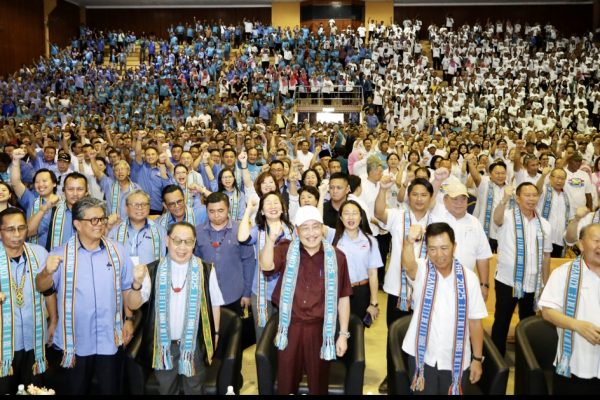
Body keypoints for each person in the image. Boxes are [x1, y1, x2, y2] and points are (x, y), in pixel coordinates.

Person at [35, 197, 150, 394]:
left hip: (109, 339)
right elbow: (42, 287)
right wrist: (46, 272)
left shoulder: (118, 251)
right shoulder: (60, 254)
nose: (100, 224)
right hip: (75, 342)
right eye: (93, 220)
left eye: (102, 219)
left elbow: (127, 292)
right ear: (77, 224)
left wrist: (129, 318)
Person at [259, 205, 352, 395]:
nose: (311, 233)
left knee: (318, 385)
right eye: (305, 228)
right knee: (286, 384)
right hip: (289, 328)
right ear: (297, 230)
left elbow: (343, 298)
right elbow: (266, 266)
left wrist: (343, 334)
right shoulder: (286, 249)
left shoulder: (337, 257)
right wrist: (270, 240)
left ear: (323, 228)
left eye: (315, 227)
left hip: (320, 330)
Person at [137, 222, 224, 395]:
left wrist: (215, 335)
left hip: (194, 345)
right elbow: (133, 304)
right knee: (166, 389)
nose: (182, 247)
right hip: (164, 346)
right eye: (177, 241)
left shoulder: (206, 269)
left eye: (188, 241)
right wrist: (135, 284)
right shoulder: (152, 270)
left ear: (194, 243)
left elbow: (215, 304)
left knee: (195, 388)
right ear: (167, 241)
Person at [401, 222, 487, 395]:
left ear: (454, 246)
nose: (439, 255)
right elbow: (409, 266)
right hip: (422, 356)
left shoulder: (469, 279)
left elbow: (475, 323)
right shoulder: (422, 269)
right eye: (432, 249)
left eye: (444, 248)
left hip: (455, 358)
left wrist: (477, 359)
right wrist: (409, 241)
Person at [491, 182, 552, 356]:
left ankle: (525, 360)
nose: (532, 199)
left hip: (532, 282)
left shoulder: (544, 224)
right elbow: (496, 219)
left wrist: (545, 285)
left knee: (528, 324)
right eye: (527, 195)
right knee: (502, 321)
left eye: (534, 195)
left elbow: (546, 257)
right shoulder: (507, 216)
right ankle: (497, 361)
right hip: (507, 281)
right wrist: (504, 199)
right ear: (518, 198)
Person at [539, 223, 600, 395]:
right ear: (581, 244)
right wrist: (577, 325)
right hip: (575, 364)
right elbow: (547, 312)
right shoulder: (563, 274)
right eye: (596, 240)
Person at [0, 208, 56, 394]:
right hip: (4, 344)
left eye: (21, 228)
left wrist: (53, 320)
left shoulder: (39, 253)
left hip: (35, 337)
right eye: (10, 229)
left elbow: (49, 291)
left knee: (35, 389)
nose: (17, 234)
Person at [237, 192, 294, 341]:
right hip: (262, 293)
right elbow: (242, 237)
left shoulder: (292, 230)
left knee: (286, 336)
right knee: (263, 337)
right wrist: (248, 210)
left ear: (283, 208)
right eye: (268, 203)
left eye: (276, 202)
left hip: (287, 292)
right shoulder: (259, 230)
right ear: (262, 211)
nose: (272, 206)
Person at [195, 192, 254, 319]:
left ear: (228, 209)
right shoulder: (197, 232)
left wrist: (247, 293)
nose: (216, 215)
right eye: (211, 211)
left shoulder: (241, 230)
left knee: (236, 329)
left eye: (220, 210)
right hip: (207, 295)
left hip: (235, 294)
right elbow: (195, 264)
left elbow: (248, 263)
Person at [331, 200, 382, 324]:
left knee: (358, 329)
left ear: (361, 217)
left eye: (354, 213)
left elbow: (373, 274)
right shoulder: (333, 237)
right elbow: (316, 223)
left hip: (361, 292)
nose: (351, 217)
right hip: (338, 291)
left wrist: (374, 303)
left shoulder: (370, 241)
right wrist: (321, 196)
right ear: (341, 218)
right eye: (346, 213)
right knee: (337, 328)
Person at [29, 172, 88, 251]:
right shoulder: (54, 210)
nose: (75, 194)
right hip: (57, 257)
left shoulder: (93, 213)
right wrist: (44, 208)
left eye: (80, 189)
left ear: (86, 192)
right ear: (64, 191)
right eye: (70, 189)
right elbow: (29, 232)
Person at [109, 190, 167, 265]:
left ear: (149, 207)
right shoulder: (114, 232)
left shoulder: (161, 231)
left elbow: (164, 260)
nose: (140, 208)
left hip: (151, 272)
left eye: (144, 204)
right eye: (135, 204)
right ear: (126, 208)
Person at [536, 167, 571, 257]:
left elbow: (569, 218)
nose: (560, 181)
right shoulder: (545, 190)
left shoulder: (566, 196)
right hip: (545, 237)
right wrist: (543, 176)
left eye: (562, 178)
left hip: (560, 239)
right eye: (557, 177)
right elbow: (537, 190)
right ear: (550, 178)